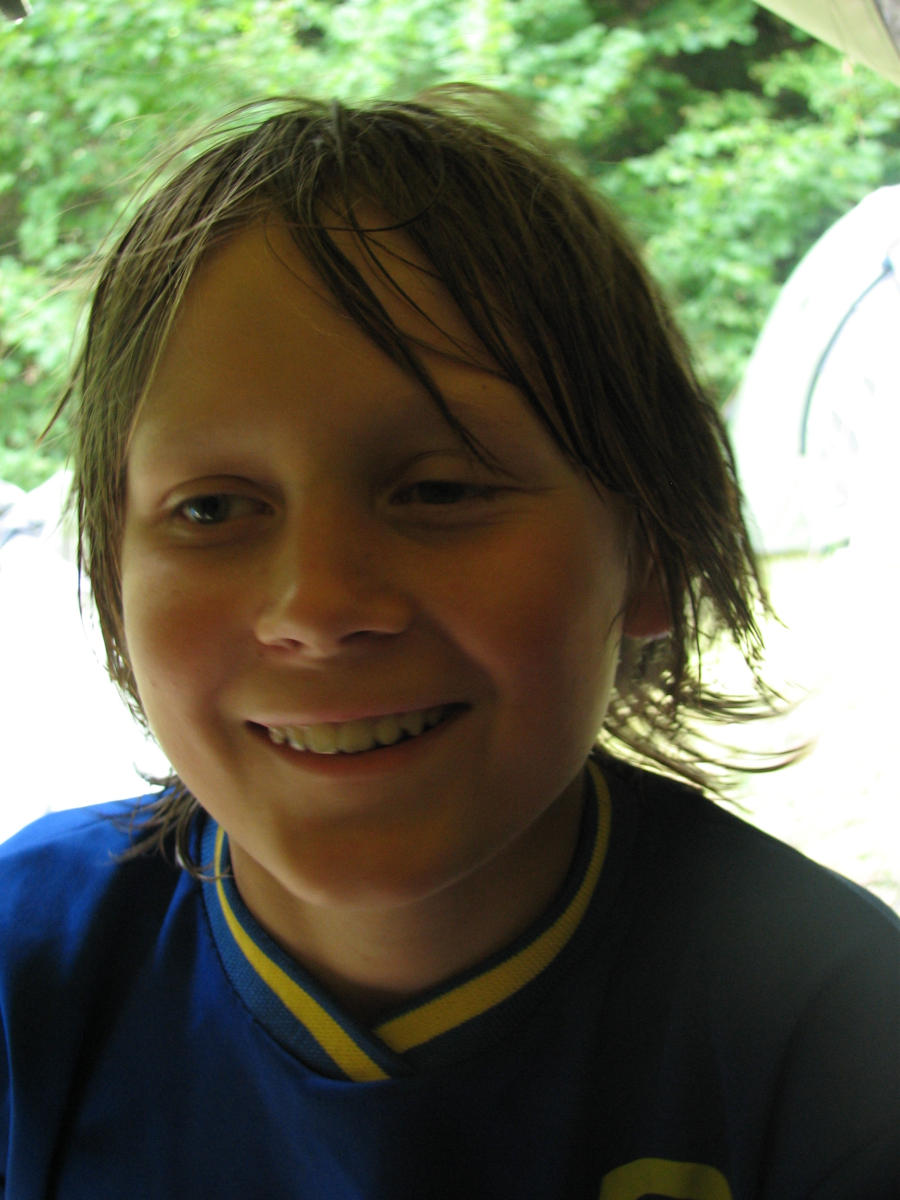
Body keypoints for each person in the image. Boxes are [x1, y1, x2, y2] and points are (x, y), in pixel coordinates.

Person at [1, 88, 897, 1200]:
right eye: (213, 509)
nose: (318, 605)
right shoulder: (29, 963)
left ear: (654, 549)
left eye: (439, 490)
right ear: (111, 580)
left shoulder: (839, 1033)